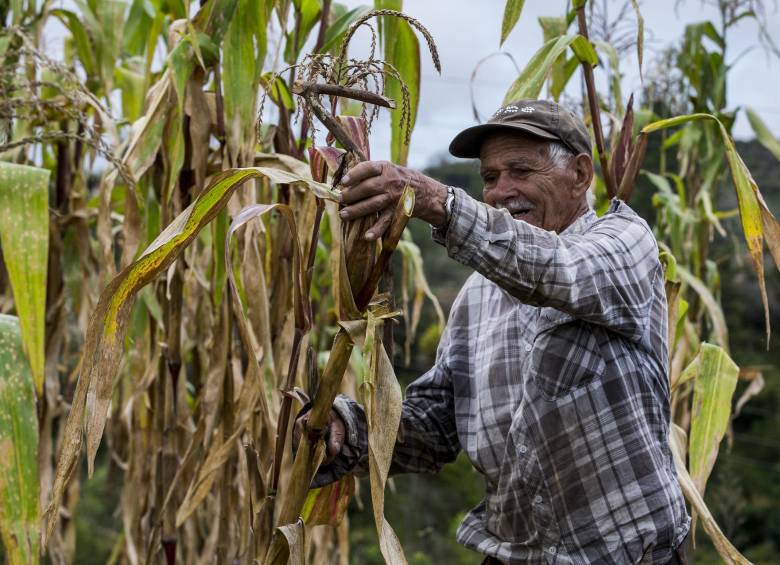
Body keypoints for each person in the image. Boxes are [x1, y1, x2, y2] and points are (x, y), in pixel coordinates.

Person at [295, 99, 691, 564]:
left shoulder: (625, 244)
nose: (502, 191)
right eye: (489, 178)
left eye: (521, 171)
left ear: (581, 175)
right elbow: (437, 425)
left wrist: (437, 201)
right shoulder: (476, 296)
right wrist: (347, 429)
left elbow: (558, 268)